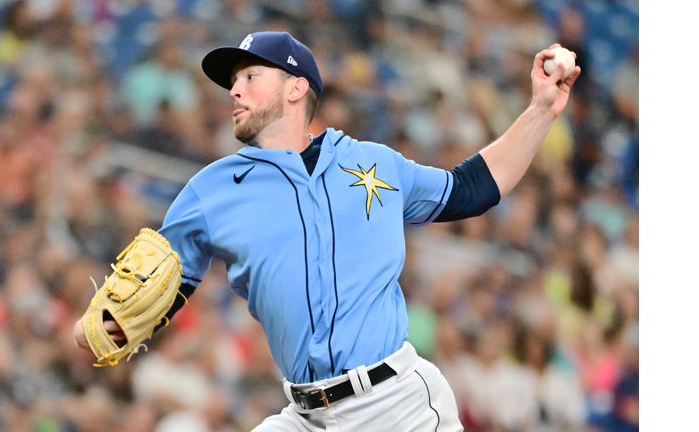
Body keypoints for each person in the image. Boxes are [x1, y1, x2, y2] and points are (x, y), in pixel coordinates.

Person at [74, 31, 580, 431]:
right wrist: (109, 324)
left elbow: (470, 189)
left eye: (250, 75)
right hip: (305, 415)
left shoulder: (370, 162)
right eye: (233, 81)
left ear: (297, 88)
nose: (234, 89)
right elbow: (168, 288)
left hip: (395, 405)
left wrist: (539, 111)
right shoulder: (212, 190)